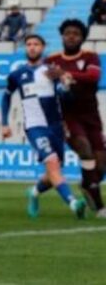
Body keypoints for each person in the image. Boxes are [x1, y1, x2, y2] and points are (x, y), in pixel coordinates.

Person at [2, 34, 87, 219]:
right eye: (29, 44)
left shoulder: (52, 72)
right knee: (53, 164)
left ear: (43, 47)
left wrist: (65, 86)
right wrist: (4, 123)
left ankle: (33, 192)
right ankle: (74, 203)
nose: (32, 47)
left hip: (55, 127)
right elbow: (6, 96)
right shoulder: (17, 74)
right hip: (35, 127)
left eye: (36, 44)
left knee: (53, 173)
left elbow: (67, 99)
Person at [45, 20, 106, 218]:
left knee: (101, 165)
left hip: (91, 115)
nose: (71, 36)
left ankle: (87, 184)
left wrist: (64, 74)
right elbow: (46, 82)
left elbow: (93, 77)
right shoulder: (52, 59)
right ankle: (99, 207)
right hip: (67, 116)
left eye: (76, 33)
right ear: (62, 36)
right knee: (84, 150)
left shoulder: (91, 56)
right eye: (68, 33)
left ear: (82, 37)